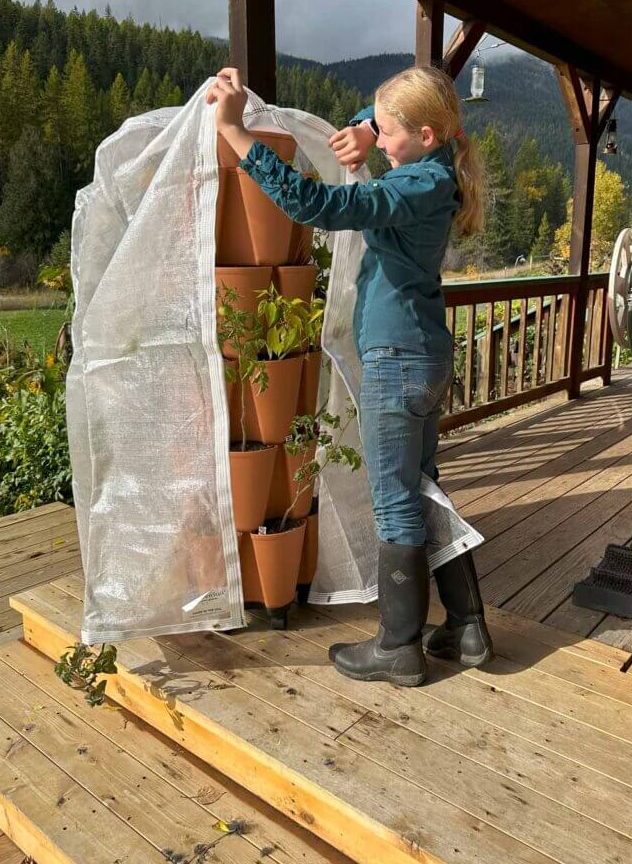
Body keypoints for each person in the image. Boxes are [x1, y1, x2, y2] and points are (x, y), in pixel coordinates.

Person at [207, 65, 494, 687]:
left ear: (423, 133)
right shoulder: (431, 169)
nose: (378, 141)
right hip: (421, 354)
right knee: (420, 487)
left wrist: (233, 132)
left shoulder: (414, 185)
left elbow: (316, 203)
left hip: (397, 359)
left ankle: (399, 647)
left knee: (395, 502)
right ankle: (467, 628)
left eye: (387, 132)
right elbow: (395, 130)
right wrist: (369, 126)